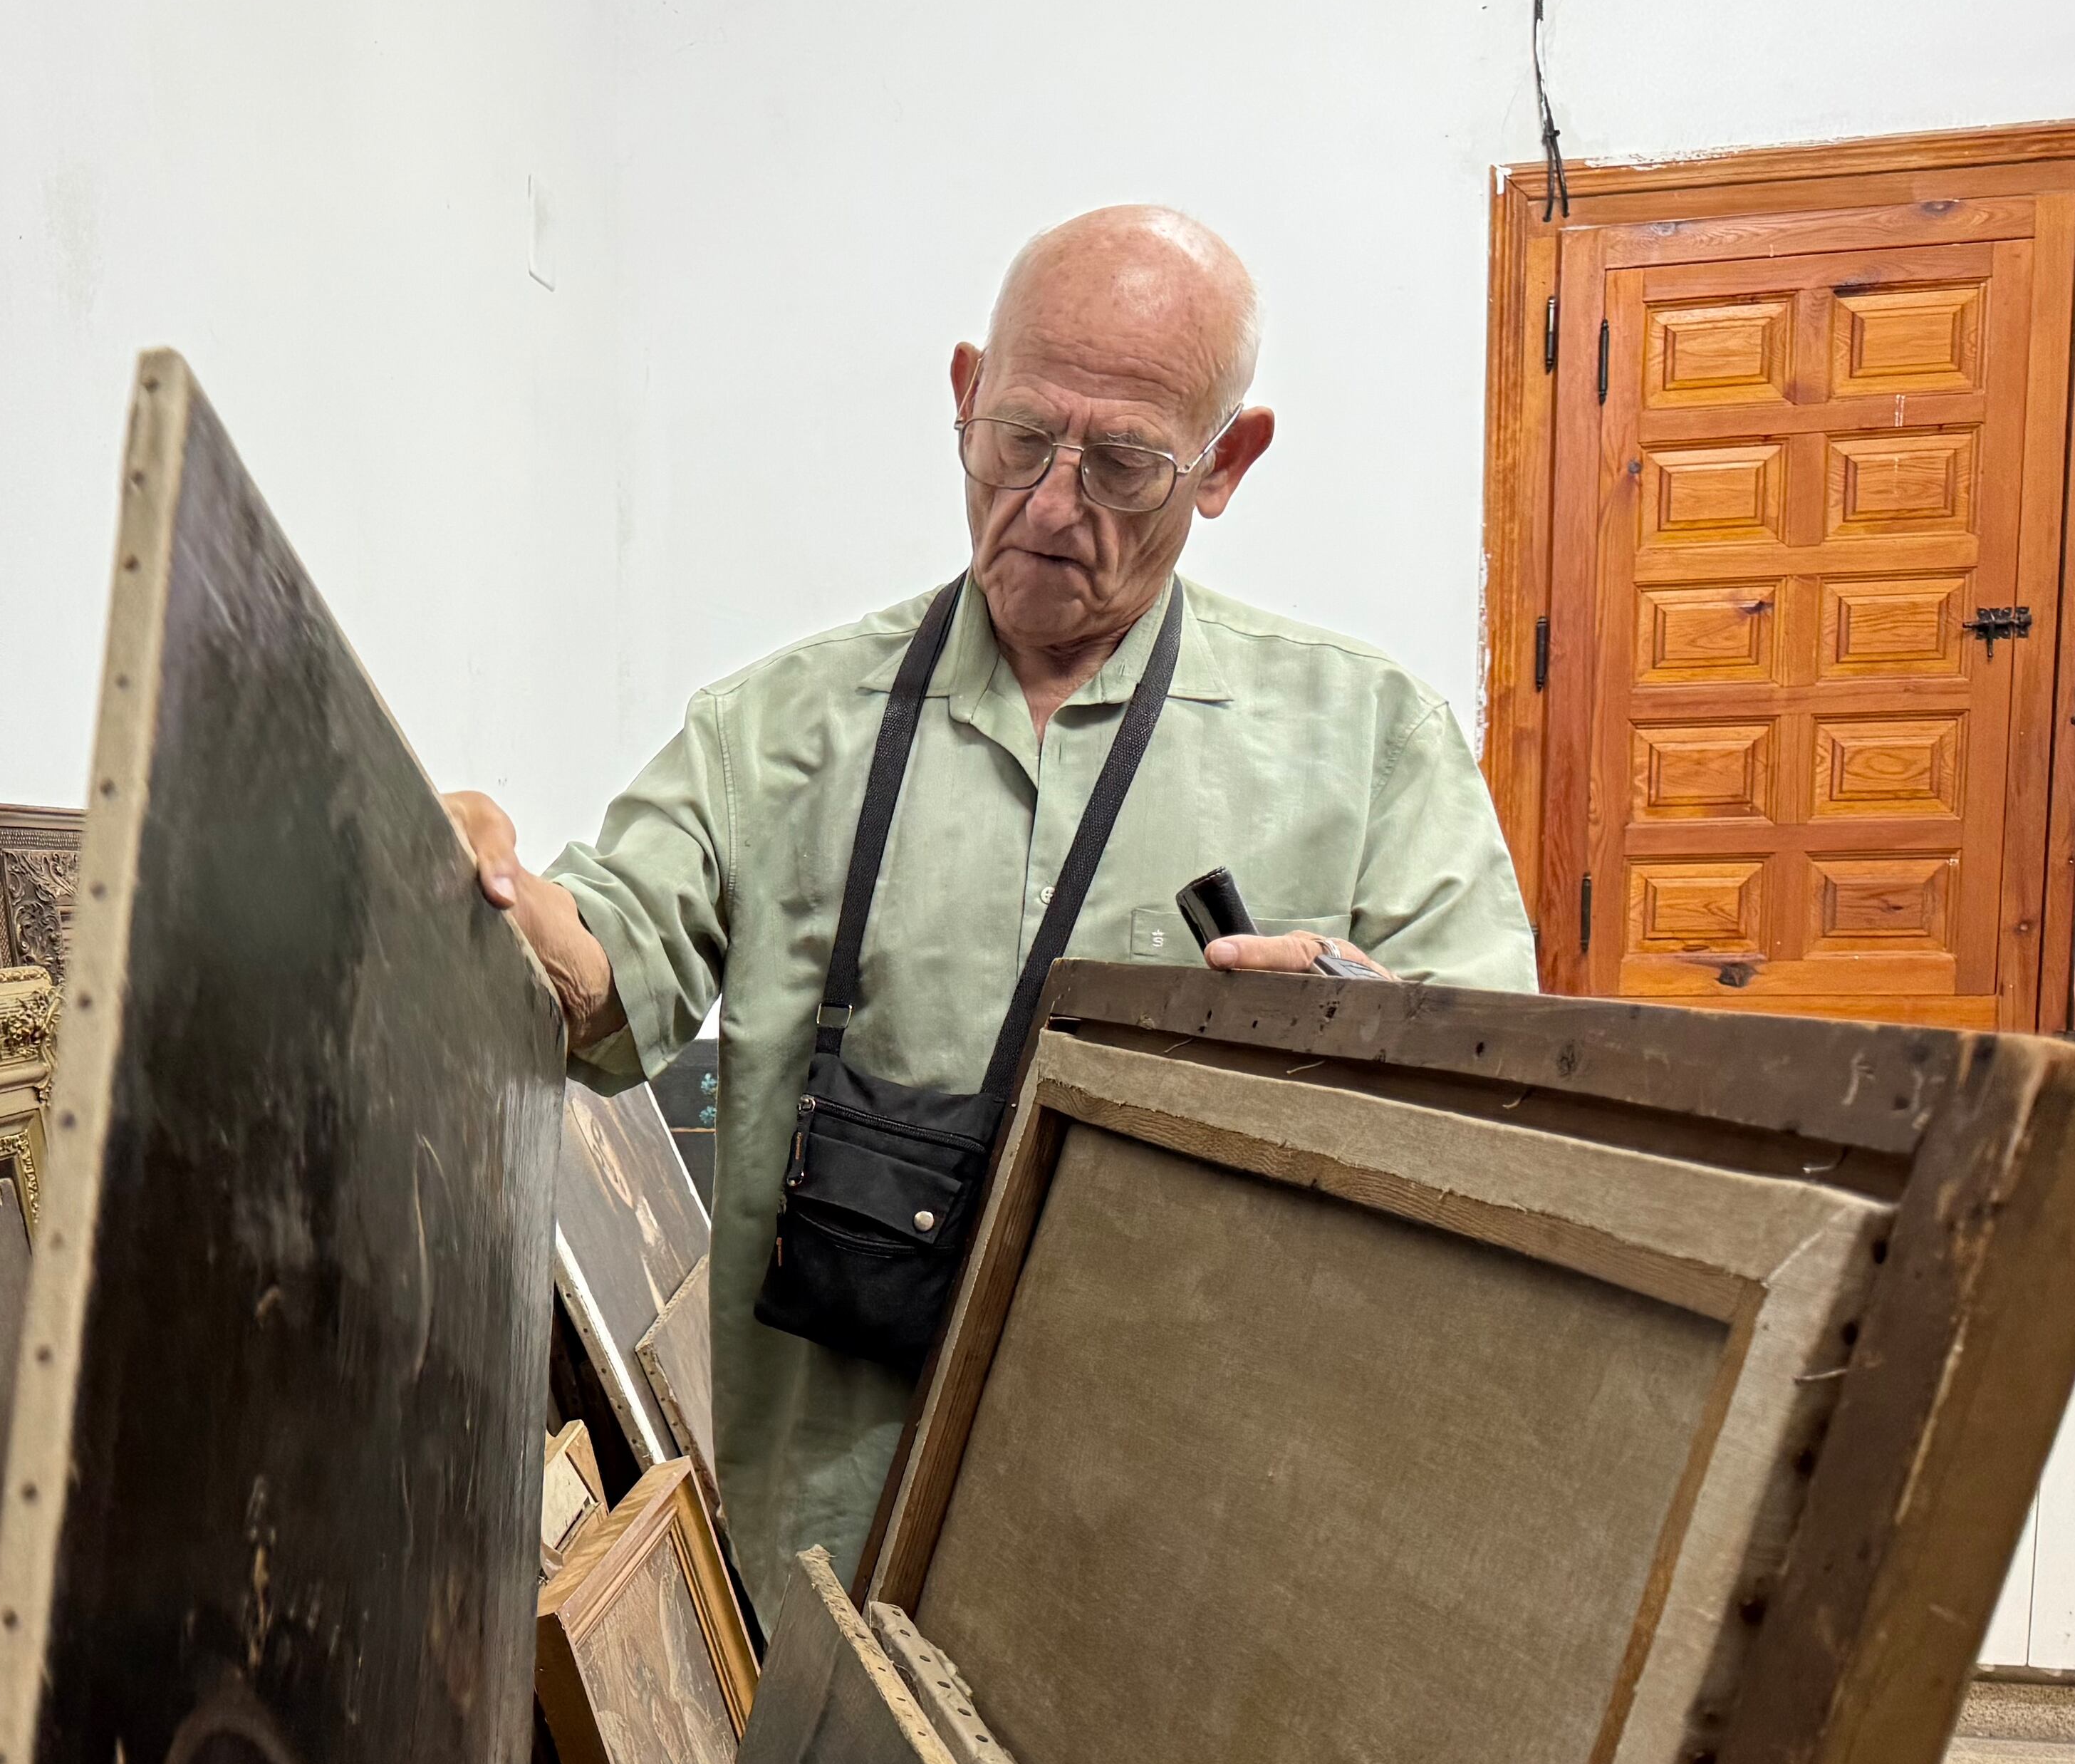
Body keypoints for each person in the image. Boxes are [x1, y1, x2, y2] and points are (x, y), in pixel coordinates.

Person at [447, 206, 1536, 1592]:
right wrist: (499, 902)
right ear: (965, 395)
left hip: (1210, 1564)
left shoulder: (1370, 742)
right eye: (1019, 439)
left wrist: (1367, 1039)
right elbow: (611, 971)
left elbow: (1503, 1104)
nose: (1049, 504)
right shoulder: (773, 730)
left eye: (1126, 463)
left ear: (1227, 464)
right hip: (835, 1559)